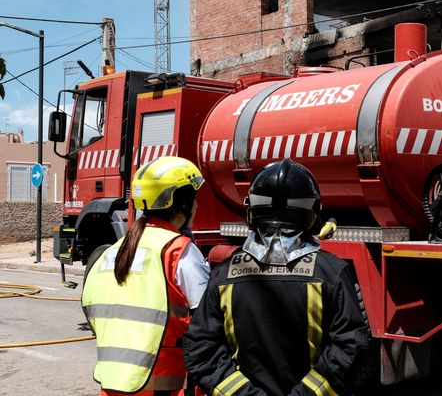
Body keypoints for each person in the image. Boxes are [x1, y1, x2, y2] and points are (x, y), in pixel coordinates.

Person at [183, 159, 370, 396]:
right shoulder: (331, 272)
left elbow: (202, 350)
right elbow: (351, 349)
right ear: (312, 212)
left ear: (252, 211)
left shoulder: (224, 274)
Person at [81, 156, 210, 396]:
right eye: (194, 198)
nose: (196, 206)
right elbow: (208, 320)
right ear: (182, 202)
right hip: (163, 386)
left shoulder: (114, 250)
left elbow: (91, 309)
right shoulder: (178, 250)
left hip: (113, 385)